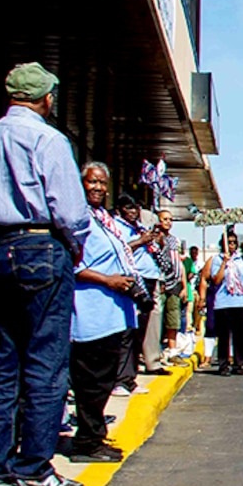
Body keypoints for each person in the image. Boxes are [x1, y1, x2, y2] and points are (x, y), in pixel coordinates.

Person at [0, 61, 92, 486]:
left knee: (2, 363)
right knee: (45, 362)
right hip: (41, 245)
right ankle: (35, 468)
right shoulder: (49, 139)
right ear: (44, 97)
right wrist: (74, 242)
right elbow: (70, 209)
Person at [71, 162, 139, 463]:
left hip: (114, 312)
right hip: (91, 312)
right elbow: (73, 264)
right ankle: (87, 441)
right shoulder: (75, 218)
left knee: (103, 381)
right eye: (91, 182)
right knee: (91, 381)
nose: (97, 187)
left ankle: (94, 436)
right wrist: (108, 280)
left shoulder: (104, 219)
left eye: (102, 183)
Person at [115, 194, 167, 381]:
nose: (133, 212)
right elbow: (120, 251)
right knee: (133, 327)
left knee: (147, 325)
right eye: (128, 208)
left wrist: (155, 240)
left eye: (135, 208)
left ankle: (143, 364)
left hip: (151, 276)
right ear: (119, 209)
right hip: (135, 279)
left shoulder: (138, 227)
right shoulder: (117, 227)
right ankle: (127, 373)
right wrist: (141, 241)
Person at [204, 230, 243, 375]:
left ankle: (239, 364)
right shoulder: (217, 259)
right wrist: (225, 262)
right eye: (228, 242)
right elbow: (216, 280)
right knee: (224, 336)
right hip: (223, 302)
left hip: (240, 301)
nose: (231, 245)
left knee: (240, 336)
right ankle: (223, 364)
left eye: (233, 242)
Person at [154, 210, 185, 360]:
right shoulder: (154, 238)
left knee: (173, 317)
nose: (168, 222)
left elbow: (179, 263)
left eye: (170, 219)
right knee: (157, 317)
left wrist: (184, 286)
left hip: (175, 284)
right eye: (165, 219)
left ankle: (172, 351)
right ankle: (155, 350)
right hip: (160, 282)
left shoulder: (174, 240)